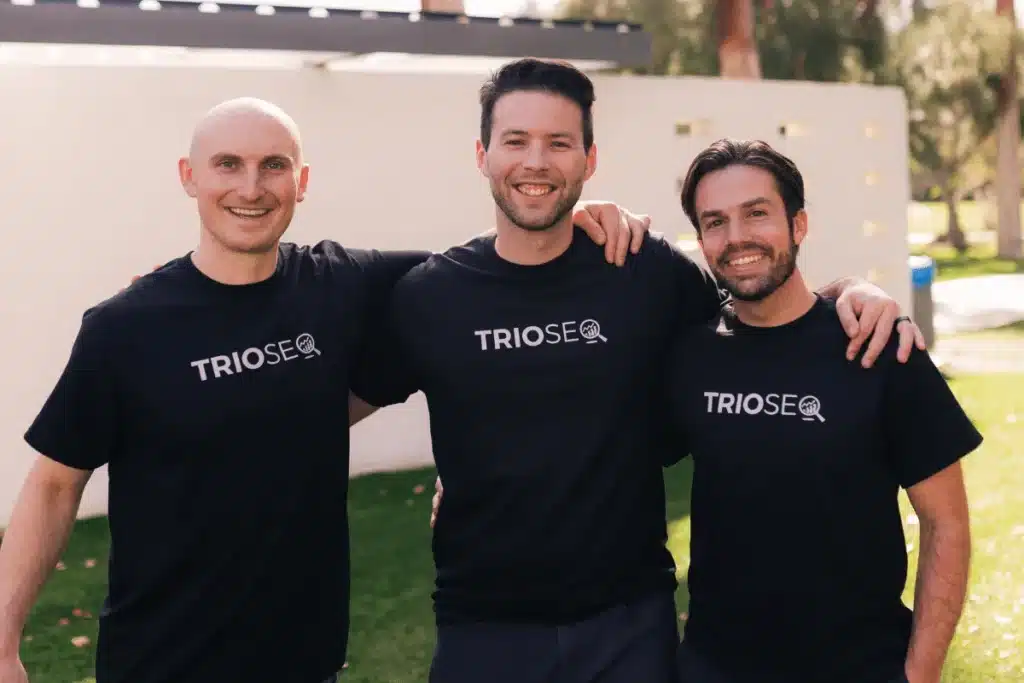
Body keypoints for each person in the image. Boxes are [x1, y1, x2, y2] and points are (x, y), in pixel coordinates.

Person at [0, 97, 647, 683]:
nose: (251, 188)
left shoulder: (341, 284)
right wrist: (3, 641)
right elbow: (55, 483)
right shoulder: (126, 327)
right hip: (161, 660)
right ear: (189, 176)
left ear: (300, 182)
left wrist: (576, 213)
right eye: (228, 164)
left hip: (305, 661)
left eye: (273, 166)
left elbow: (489, 268)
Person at [365, 58, 925, 683]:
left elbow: (761, 306)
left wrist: (849, 291)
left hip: (629, 626)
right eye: (515, 141)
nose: (536, 161)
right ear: (482, 154)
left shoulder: (641, 268)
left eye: (559, 142)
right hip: (484, 631)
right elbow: (322, 409)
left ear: (589, 158)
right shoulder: (432, 295)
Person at [666, 139, 979, 683]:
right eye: (715, 221)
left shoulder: (879, 347)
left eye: (757, 214)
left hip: (861, 665)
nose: (736, 237)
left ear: (799, 224)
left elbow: (946, 522)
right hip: (715, 667)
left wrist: (921, 673)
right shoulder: (688, 353)